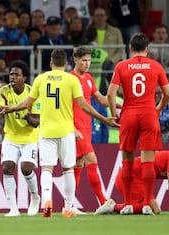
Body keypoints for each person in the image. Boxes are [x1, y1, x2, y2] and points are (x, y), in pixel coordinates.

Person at [0, 49, 119, 218]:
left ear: (50, 63)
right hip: (66, 131)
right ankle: (68, 207)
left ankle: (47, 201)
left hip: (47, 131)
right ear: (66, 64)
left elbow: (27, 102)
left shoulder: (41, 79)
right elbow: (84, 106)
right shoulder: (71, 80)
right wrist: (104, 119)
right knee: (68, 170)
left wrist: (11, 108)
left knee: (47, 169)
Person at [107, 32, 169, 215]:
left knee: (127, 162)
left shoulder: (122, 66)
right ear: (147, 49)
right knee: (148, 162)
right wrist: (158, 109)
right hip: (148, 114)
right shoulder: (155, 66)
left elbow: (111, 94)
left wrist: (114, 114)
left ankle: (127, 204)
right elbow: (167, 93)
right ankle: (146, 204)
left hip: (128, 114)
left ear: (130, 48)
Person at [71, 46, 120, 212]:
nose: (87, 64)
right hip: (76, 128)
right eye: (84, 60)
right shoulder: (70, 80)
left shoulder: (89, 78)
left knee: (79, 164)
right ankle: (103, 201)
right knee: (92, 161)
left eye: (89, 60)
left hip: (86, 127)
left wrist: (119, 104)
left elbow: (99, 98)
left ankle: (69, 205)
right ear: (75, 60)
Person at [95, 141, 169, 215]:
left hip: (132, 178)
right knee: (155, 209)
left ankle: (114, 207)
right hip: (130, 178)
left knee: (151, 208)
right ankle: (113, 207)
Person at [0, 61, 41, 217]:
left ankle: (35, 196)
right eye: (11, 74)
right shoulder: (3, 91)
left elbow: (36, 122)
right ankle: (13, 208)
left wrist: (27, 116)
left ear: (24, 77)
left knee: (26, 168)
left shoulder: (33, 93)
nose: (12, 77)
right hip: (11, 136)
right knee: (7, 167)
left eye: (16, 74)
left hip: (30, 137)